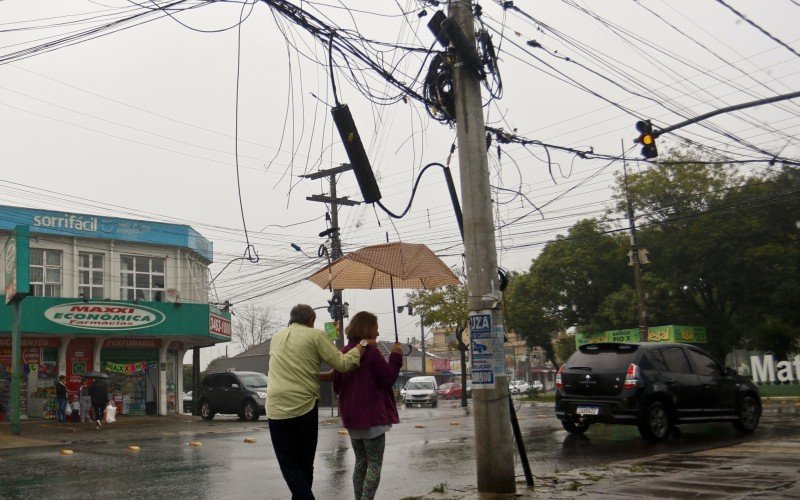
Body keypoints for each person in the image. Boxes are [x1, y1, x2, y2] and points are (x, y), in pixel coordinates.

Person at [267, 304, 371, 500]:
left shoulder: (277, 337)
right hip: (303, 406)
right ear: (311, 321)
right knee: (305, 463)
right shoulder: (315, 335)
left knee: (288, 463)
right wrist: (363, 344)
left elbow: (297, 363)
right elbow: (344, 363)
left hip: (275, 408)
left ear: (292, 319)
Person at [331, 312, 402, 500]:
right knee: (375, 464)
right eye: (376, 329)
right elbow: (387, 379)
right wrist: (396, 357)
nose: (378, 333)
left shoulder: (344, 352)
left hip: (353, 420)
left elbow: (337, 387)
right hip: (373, 418)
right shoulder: (371, 353)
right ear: (368, 329)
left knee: (360, 463)